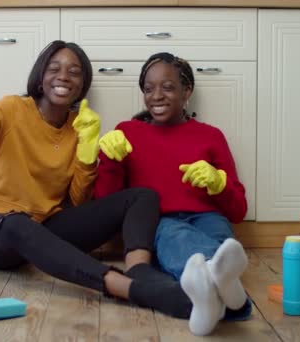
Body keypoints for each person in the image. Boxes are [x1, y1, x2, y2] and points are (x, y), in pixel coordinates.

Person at [0, 40, 201, 321]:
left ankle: (139, 271)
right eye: (54, 68)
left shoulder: (78, 125)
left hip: (46, 229)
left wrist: (86, 155)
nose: (63, 76)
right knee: (16, 221)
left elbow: (78, 201)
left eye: (74, 71)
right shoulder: (12, 109)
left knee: (143, 195)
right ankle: (127, 288)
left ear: (83, 84)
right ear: (40, 76)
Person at [95, 52, 252, 335]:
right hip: (159, 222)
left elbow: (239, 210)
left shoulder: (211, 136)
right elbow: (107, 205)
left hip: (208, 218)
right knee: (177, 236)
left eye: (167, 87)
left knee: (220, 241)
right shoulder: (128, 132)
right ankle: (232, 295)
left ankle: (210, 290)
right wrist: (108, 160)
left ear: (186, 91)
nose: (157, 95)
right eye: (148, 88)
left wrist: (219, 184)